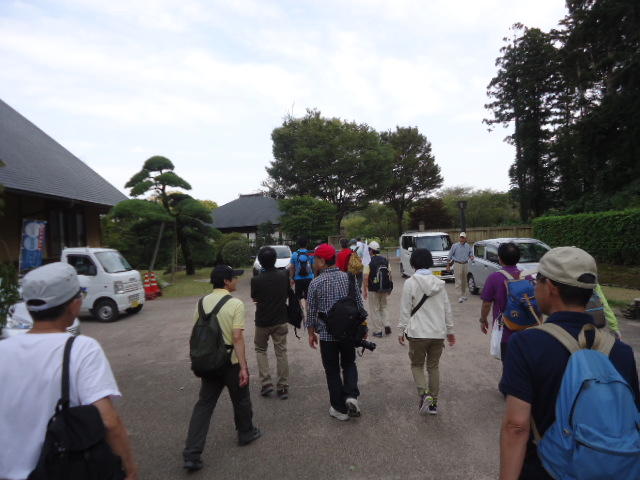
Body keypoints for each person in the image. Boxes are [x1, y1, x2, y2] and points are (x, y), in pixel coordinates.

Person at [499, 247, 640, 479]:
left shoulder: (526, 344)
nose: (534, 287)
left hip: (546, 470)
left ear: (551, 287)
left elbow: (516, 426)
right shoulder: (621, 351)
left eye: (537, 281)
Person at [0, 262, 138, 480]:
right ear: (74, 305)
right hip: (62, 469)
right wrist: (129, 469)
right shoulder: (81, 348)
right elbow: (108, 421)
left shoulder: (3, 350)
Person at [183, 265, 261, 472]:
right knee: (241, 399)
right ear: (226, 281)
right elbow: (237, 337)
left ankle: (192, 453)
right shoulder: (235, 304)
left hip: (209, 361)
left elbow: (197, 332)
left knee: (204, 405)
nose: (236, 280)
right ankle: (246, 433)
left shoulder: (201, 302)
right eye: (234, 277)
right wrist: (244, 367)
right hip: (230, 362)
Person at [306, 243, 365, 421]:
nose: (313, 262)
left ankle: (339, 409)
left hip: (327, 334)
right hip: (348, 332)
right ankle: (351, 396)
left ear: (322, 261)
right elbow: (359, 305)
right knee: (349, 364)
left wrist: (311, 333)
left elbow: (311, 312)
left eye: (315, 259)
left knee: (332, 370)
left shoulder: (315, 283)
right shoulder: (348, 278)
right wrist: (363, 327)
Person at [398, 249, 455, 416]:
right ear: (430, 262)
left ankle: (424, 394)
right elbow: (447, 309)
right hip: (437, 333)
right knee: (433, 367)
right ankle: (433, 404)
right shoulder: (439, 283)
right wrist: (450, 331)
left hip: (417, 333)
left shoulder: (410, 283)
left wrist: (401, 330)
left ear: (413, 263)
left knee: (417, 365)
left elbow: (405, 309)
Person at [479, 242, 531, 384]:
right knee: (523, 362)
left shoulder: (494, 278)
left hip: (506, 329)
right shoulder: (527, 277)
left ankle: (510, 389)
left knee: (508, 363)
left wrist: (483, 320)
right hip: (527, 328)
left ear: (500, 259)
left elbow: (486, 304)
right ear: (518, 258)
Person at [251, 246, 290, 399]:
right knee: (281, 352)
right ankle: (283, 387)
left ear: (260, 262)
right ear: (275, 260)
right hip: (280, 319)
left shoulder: (256, 280)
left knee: (261, 349)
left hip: (262, 320)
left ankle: (266, 383)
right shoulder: (283, 276)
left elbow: (255, 298)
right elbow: (287, 293)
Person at [363, 240, 392, 337]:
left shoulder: (369, 261)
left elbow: (366, 277)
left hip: (373, 289)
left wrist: (365, 290)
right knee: (384, 307)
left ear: (371, 250)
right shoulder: (385, 260)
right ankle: (387, 324)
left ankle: (378, 331)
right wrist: (390, 287)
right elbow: (389, 274)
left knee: (374, 309)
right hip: (385, 288)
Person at [447, 232, 474, 303]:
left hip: (465, 264)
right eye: (461, 237)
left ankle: (463, 294)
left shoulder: (468, 246)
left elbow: (470, 253)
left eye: (463, 238)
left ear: (465, 239)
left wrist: (471, 256)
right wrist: (448, 265)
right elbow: (450, 255)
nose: (461, 239)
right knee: (458, 280)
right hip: (457, 264)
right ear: (459, 238)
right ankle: (459, 296)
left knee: (464, 280)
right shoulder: (455, 246)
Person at [289, 236, 315, 309]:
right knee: (308, 296)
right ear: (306, 244)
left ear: (298, 244)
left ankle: (300, 309)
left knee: (298, 296)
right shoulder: (310, 254)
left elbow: (292, 267)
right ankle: (307, 310)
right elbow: (313, 266)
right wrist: (314, 276)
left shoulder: (294, 254)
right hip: (309, 278)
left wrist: (291, 278)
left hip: (298, 279)